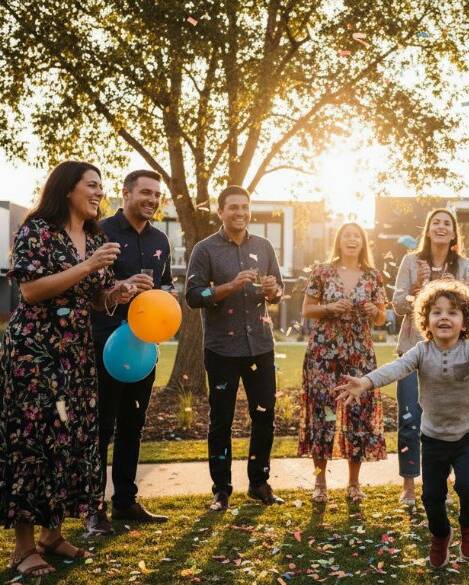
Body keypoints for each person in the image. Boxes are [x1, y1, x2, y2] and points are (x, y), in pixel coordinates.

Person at [334, 280, 469, 568]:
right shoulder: (421, 351)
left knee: (468, 487)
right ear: (426, 319)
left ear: (465, 321)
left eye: (453, 312)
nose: (444, 317)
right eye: (437, 312)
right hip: (432, 438)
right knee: (432, 496)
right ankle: (440, 536)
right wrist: (366, 381)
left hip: (467, 435)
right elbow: (396, 368)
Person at [0, 161, 137, 577]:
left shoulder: (93, 236)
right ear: (67, 189)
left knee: (67, 439)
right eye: (91, 185)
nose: (99, 192)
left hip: (74, 353)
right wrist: (89, 267)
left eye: (100, 186)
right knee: (33, 442)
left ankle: (52, 535)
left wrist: (118, 292)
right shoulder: (36, 230)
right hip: (35, 353)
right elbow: (30, 289)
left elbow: (94, 297)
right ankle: (23, 548)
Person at [186, 185, 285, 511]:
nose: (240, 213)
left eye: (244, 207)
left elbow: (279, 291)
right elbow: (193, 296)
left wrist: (272, 291)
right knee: (221, 421)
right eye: (233, 208)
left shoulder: (264, 246)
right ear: (221, 212)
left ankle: (258, 482)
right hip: (222, 349)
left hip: (259, 344)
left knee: (264, 416)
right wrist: (230, 286)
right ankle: (221, 489)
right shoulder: (205, 249)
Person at [86, 170, 173, 534]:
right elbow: (88, 288)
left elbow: (166, 285)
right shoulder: (99, 231)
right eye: (145, 193)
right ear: (126, 193)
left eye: (157, 195)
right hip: (105, 343)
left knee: (133, 425)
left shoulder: (160, 240)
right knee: (101, 427)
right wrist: (119, 289)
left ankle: (125, 501)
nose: (152, 200)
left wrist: (161, 297)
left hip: (143, 346)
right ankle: (93, 509)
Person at [391, 208, 469, 505]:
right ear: (428, 230)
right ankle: (409, 486)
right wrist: (417, 292)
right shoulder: (410, 262)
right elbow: (398, 305)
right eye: (436, 223)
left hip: (452, 356)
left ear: (454, 233)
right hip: (414, 350)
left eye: (447, 224)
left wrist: (459, 293)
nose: (441, 227)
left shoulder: (464, 266)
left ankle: (443, 482)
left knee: (448, 419)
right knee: (410, 419)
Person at [298, 223, 388, 503]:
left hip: (359, 354)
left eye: (357, 236)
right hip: (324, 354)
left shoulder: (373, 276)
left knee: (358, 415)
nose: (352, 240)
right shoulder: (322, 272)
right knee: (322, 414)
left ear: (363, 243)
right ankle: (321, 483)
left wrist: (375, 311)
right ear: (339, 241)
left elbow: (383, 317)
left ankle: (353, 483)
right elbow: (307, 310)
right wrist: (329, 308)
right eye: (347, 235)